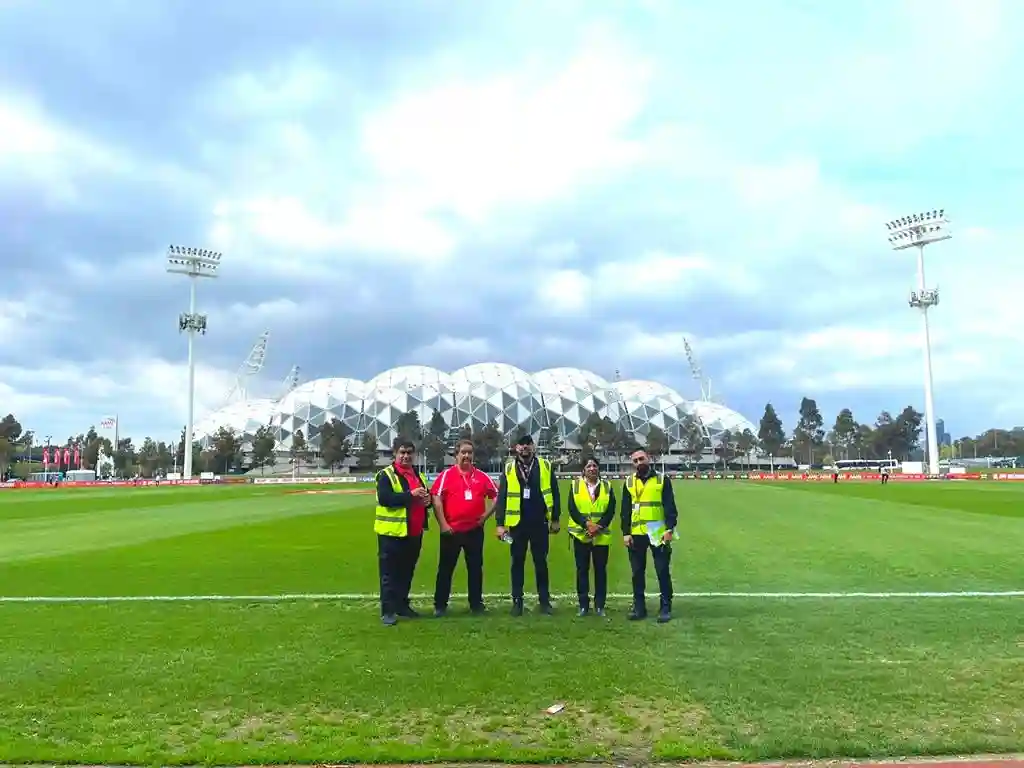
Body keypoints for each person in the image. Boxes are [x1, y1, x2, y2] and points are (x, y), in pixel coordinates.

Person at [429, 439, 498, 617]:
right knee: (445, 569)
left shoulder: (481, 476)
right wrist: (443, 524)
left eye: (470, 452)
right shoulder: (446, 475)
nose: (467, 455)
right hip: (451, 531)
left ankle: (476, 604)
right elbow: (436, 498)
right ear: (456, 455)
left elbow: (498, 496)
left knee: (475, 568)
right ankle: (440, 605)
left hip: (474, 531)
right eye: (463, 452)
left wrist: (485, 516)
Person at [494, 434, 561, 616]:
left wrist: (555, 518)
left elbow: (555, 492)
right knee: (517, 563)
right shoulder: (509, 468)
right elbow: (502, 497)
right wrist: (500, 524)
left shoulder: (545, 465)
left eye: (528, 444)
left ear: (533, 447)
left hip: (540, 522)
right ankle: (517, 602)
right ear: (516, 448)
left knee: (541, 563)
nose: (525, 447)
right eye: (521, 444)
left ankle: (544, 601)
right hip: (517, 524)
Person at [374, 439, 431, 626]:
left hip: (413, 532)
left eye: (409, 453)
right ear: (395, 454)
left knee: (407, 572)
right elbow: (385, 498)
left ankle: (401, 605)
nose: (406, 456)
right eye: (402, 452)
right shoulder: (386, 475)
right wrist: (410, 495)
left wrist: (428, 501)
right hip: (392, 533)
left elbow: (424, 497)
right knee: (389, 574)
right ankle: (388, 611)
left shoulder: (418, 475)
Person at [620, 448, 679, 623]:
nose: (639, 463)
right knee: (637, 572)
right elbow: (625, 510)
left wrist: (669, 529)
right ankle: (639, 608)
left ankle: (665, 607)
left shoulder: (662, 480)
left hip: (657, 531)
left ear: (649, 458)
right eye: (635, 461)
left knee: (662, 570)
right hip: (636, 532)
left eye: (641, 459)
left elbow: (670, 506)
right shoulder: (629, 482)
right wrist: (626, 533)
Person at [566, 456, 616, 617]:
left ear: (598, 468)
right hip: (581, 535)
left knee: (600, 571)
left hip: (601, 536)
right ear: (583, 470)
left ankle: (600, 605)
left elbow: (611, 510)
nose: (592, 469)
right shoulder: (575, 485)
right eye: (589, 466)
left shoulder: (607, 486)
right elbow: (572, 509)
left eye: (594, 466)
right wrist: (586, 524)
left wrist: (598, 526)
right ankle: (583, 605)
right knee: (582, 570)